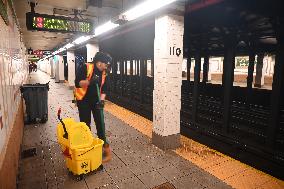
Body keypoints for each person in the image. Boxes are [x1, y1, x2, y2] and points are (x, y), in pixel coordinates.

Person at [74, 52, 112, 163]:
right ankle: (88, 146)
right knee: (85, 124)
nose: (107, 66)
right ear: (99, 63)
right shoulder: (85, 67)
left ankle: (104, 148)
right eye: (106, 64)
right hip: (83, 101)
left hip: (96, 102)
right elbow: (77, 83)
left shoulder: (104, 73)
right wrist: (89, 82)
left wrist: (102, 100)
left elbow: (105, 88)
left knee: (101, 124)